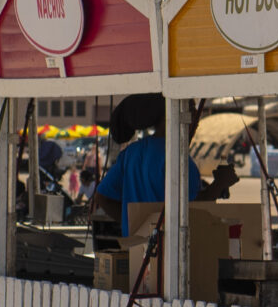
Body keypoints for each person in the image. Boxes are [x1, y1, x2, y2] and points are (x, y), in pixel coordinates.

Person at [90, 94, 224, 226]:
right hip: (168, 246)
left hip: (137, 245)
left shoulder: (131, 153)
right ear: (171, 114)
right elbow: (193, 209)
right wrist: (220, 183)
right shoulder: (179, 159)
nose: (196, 119)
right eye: (191, 110)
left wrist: (133, 224)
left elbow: (101, 197)